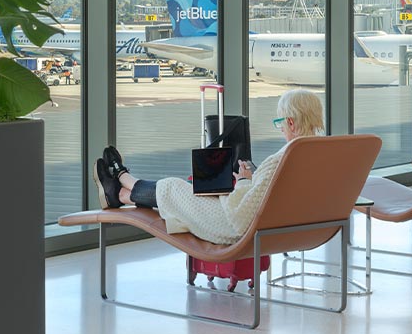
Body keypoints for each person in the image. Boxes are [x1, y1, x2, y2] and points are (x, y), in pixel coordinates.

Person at [92, 88, 326, 245]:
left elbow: (240, 218)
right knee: (190, 191)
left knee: (175, 187)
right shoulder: (322, 153)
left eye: (280, 123)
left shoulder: (281, 159)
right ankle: (121, 191)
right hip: (286, 226)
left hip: (231, 227)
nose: (281, 128)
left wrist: (243, 181)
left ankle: (121, 182)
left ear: (291, 122)